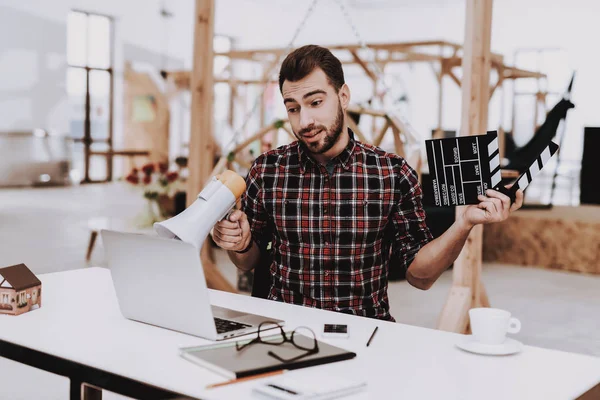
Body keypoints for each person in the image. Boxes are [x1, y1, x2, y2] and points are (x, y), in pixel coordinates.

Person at [212, 45, 523, 321]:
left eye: (315, 102)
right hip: (284, 328)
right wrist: (238, 243)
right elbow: (247, 261)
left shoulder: (392, 173)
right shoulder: (267, 170)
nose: (303, 121)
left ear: (343, 96)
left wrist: (464, 222)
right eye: (293, 108)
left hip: (365, 331)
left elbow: (421, 277)